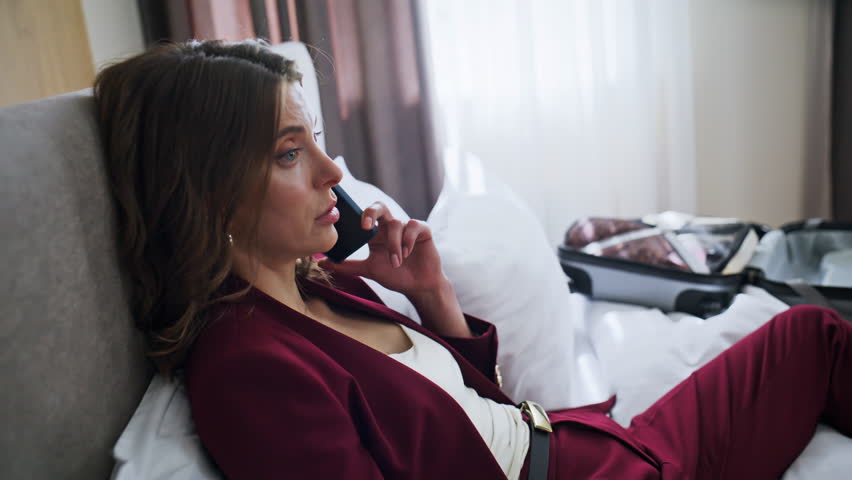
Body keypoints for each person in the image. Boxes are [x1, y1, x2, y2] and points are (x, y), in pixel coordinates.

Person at [93, 39, 852, 480]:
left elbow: (470, 413)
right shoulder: (248, 368)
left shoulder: (316, 287)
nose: (332, 173)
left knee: (807, 335)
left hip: (600, 452)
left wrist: (432, 299)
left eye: (317, 140)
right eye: (292, 152)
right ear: (209, 188)